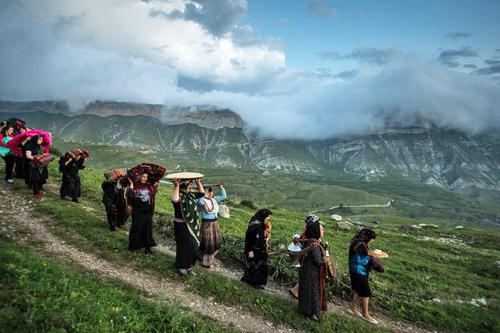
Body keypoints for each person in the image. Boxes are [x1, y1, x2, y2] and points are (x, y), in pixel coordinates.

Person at [349, 228, 384, 324]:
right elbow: (366, 258)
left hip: (354, 269)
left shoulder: (356, 241)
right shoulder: (362, 246)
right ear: (367, 238)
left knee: (358, 290)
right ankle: (365, 314)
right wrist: (379, 266)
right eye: (372, 239)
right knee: (366, 292)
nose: (372, 241)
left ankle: (352, 308)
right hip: (359, 270)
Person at [171, 178, 205, 276]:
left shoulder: (191, 195)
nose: (191, 186)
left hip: (192, 225)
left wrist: (198, 182)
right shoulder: (180, 195)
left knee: (193, 246)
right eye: (190, 184)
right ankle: (181, 266)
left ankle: (189, 266)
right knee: (184, 246)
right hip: (181, 225)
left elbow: (202, 193)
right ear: (184, 186)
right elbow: (175, 200)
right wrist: (176, 186)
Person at [298, 214, 328, 321]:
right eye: (321, 229)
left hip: (307, 270)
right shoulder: (314, 244)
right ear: (316, 231)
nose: (323, 231)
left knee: (305, 290)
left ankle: (304, 309)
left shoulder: (310, 241)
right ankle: (310, 313)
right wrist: (326, 259)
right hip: (312, 273)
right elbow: (319, 261)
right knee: (312, 292)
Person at [241, 208, 273, 289]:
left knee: (261, 266)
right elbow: (249, 238)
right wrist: (250, 250)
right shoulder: (255, 225)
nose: (268, 219)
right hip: (253, 249)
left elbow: (262, 236)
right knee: (253, 265)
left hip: (260, 249)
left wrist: (267, 238)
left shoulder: (262, 224)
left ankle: (258, 283)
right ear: (263, 216)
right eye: (267, 217)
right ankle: (250, 281)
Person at [127, 173, 159, 254]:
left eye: (146, 177)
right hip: (137, 210)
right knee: (136, 228)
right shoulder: (134, 185)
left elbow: (153, 193)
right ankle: (133, 246)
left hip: (147, 210)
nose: (144, 178)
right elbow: (131, 196)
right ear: (139, 177)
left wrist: (156, 186)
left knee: (148, 228)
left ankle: (147, 248)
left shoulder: (148, 186)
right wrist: (131, 184)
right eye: (143, 177)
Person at [197, 183, 227, 268]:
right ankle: (207, 262)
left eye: (211, 191)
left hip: (214, 223)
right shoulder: (201, 200)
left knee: (215, 241)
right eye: (208, 191)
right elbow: (200, 201)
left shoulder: (214, 199)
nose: (210, 193)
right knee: (208, 242)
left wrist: (221, 187)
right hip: (206, 223)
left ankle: (203, 256)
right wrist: (202, 192)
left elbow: (224, 196)